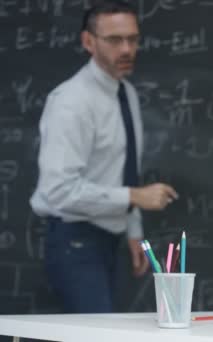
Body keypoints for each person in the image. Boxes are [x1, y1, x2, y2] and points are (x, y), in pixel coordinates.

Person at [30, 0, 178, 313]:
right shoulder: (71, 103)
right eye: (114, 40)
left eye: (133, 39)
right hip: (75, 242)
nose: (127, 49)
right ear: (88, 42)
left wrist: (134, 231)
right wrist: (136, 196)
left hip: (112, 239)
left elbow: (123, 169)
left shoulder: (126, 94)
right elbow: (58, 191)